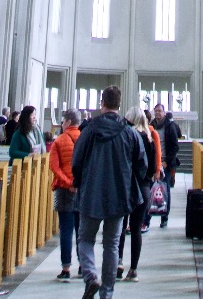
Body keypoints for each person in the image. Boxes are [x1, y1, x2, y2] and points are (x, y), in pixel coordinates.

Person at [71, 85, 147, 299]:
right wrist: (131, 181)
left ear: (102, 103)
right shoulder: (129, 132)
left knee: (85, 239)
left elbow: (76, 161)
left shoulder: (90, 130)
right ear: (119, 105)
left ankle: (90, 276)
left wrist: (79, 181)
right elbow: (142, 164)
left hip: (91, 193)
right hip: (119, 194)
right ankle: (107, 293)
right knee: (112, 244)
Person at [117, 107, 157, 281]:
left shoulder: (127, 137)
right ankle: (133, 269)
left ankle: (118, 262)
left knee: (120, 226)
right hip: (144, 188)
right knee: (136, 229)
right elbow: (152, 166)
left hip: (127, 186)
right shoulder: (149, 139)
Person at [49, 109, 82, 280]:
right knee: (81, 230)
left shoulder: (59, 140)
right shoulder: (85, 139)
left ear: (68, 122)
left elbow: (54, 166)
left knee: (66, 230)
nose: (62, 124)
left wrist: (68, 183)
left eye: (63, 121)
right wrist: (78, 183)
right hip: (81, 190)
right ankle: (83, 265)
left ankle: (66, 268)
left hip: (64, 190)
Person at [147, 103, 180, 228]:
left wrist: (167, 162)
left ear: (164, 113)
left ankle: (164, 217)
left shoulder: (170, 126)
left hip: (166, 163)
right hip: (154, 163)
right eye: (156, 111)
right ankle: (147, 219)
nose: (157, 113)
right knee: (151, 190)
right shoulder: (151, 126)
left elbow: (174, 147)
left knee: (164, 190)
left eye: (160, 111)